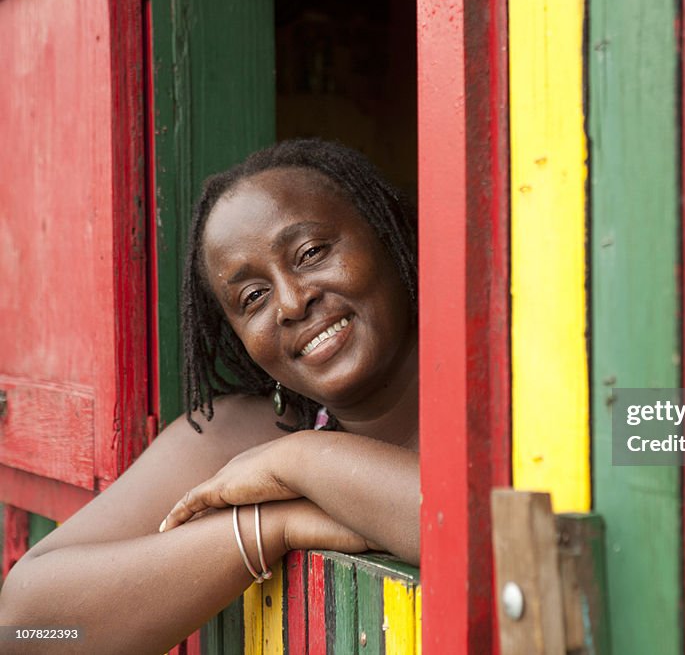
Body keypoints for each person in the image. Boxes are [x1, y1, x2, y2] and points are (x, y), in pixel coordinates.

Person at [0, 140, 420, 654]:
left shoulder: (513, 381)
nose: (291, 301)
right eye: (253, 297)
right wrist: (271, 525)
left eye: (310, 253)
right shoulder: (256, 429)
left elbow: (485, 537)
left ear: (387, 236)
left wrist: (301, 461)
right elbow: (26, 631)